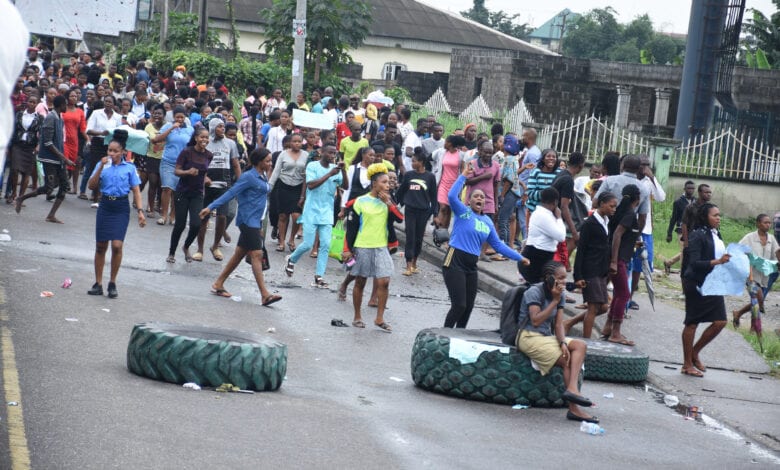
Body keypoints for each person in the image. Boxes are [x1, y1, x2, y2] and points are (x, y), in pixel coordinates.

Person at [442, 165, 527, 328]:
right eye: (476, 196)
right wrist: (463, 176)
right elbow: (452, 196)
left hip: (471, 265)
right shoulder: (464, 212)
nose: (479, 199)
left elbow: (498, 246)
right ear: (469, 201)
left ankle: (460, 335)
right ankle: (444, 335)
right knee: (459, 305)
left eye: (482, 197)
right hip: (455, 261)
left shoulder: (487, 221)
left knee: (468, 307)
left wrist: (520, 258)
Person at [515, 261, 598, 424]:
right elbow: (536, 321)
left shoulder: (561, 295)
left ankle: (572, 389)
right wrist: (554, 300)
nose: (564, 282)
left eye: (565, 277)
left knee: (580, 345)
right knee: (566, 360)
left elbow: (559, 324)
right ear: (549, 278)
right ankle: (574, 409)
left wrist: (562, 343)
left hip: (546, 337)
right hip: (528, 337)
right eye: (560, 278)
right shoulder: (534, 292)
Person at [198, 148, 282, 307]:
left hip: (256, 221)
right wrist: (210, 207)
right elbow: (231, 193)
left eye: (271, 161)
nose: (270, 164)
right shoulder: (248, 177)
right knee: (257, 254)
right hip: (247, 221)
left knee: (239, 254)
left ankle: (218, 283)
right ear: (259, 162)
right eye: (268, 161)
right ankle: (265, 295)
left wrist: (260, 224)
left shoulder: (263, 176)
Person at [342, 163, 403, 332]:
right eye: (384, 182)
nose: (388, 185)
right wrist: (347, 249)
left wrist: (389, 203)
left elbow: (400, 218)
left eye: (388, 182)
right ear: (374, 183)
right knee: (360, 281)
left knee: (384, 281)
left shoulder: (388, 202)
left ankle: (379, 318)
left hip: (381, 247)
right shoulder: (360, 202)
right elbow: (351, 229)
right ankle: (357, 316)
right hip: (362, 247)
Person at [86, 131, 146, 298]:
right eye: (109, 150)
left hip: (121, 207)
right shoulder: (103, 165)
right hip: (105, 205)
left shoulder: (130, 168)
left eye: (115, 151)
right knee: (101, 246)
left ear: (123, 152)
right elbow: (91, 186)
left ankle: (112, 282)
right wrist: (100, 167)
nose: (111, 153)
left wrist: (140, 211)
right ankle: (98, 283)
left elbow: (136, 191)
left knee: (117, 245)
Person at [284, 144, 347, 287]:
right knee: (308, 244)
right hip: (311, 210)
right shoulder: (313, 166)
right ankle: (292, 259)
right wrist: (329, 174)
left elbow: (346, 186)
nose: (332, 156)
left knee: (325, 244)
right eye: (329, 153)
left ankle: (319, 276)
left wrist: (343, 171)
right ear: (321, 152)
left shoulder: (335, 169)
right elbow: (311, 185)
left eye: (334, 153)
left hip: (327, 211)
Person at [680, 203, 730, 377]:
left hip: (713, 283)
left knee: (720, 321)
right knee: (692, 322)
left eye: (719, 215)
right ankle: (687, 364)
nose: (718, 218)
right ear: (704, 217)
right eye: (714, 215)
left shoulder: (715, 234)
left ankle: (694, 352)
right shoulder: (697, 235)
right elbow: (694, 263)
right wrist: (718, 262)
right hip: (696, 282)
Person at [564, 191, 618, 338]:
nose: (614, 209)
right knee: (593, 308)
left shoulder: (607, 222)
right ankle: (587, 341)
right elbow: (581, 251)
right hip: (590, 270)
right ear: (602, 204)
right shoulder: (589, 224)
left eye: (615, 207)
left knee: (603, 307)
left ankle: (569, 322)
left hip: (601, 271)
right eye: (611, 206)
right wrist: (578, 276)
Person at [15, 95, 73, 223]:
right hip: (49, 159)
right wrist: (64, 157)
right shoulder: (51, 118)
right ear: (61, 105)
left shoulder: (59, 118)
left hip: (58, 158)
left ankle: (51, 215)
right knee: (48, 187)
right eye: (65, 104)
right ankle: (21, 198)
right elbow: (47, 142)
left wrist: (62, 157)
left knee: (64, 185)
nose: (67, 107)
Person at [195, 118, 241, 261]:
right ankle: (199, 249)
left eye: (223, 126)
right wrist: (203, 178)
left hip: (224, 185)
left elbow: (235, 164)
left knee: (222, 216)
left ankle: (215, 246)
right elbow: (197, 161)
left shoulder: (230, 143)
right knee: (204, 218)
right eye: (219, 126)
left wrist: (241, 183)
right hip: (207, 185)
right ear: (213, 127)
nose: (222, 129)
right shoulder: (205, 142)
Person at [602, 184, 641, 346]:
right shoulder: (630, 214)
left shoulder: (620, 211)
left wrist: (633, 243)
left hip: (617, 257)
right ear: (637, 199)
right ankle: (615, 332)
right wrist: (614, 261)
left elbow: (621, 235)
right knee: (624, 294)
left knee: (619, 293)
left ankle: (608, 327)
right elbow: (617, 234)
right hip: (618, 260)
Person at [167, 127, 212, 263]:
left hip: (197, 193)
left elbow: (204, 173)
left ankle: (186, 247)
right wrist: (187, 172)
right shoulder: (187, 152)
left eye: (206, 137)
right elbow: (176, 171)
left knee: (196, 224)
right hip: (182, 192)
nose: (204, 140)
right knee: (180, 225)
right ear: (196, 138)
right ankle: (171, 253)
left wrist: (206, 179)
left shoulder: (209, 155)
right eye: (202, 137)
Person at [627, 155, 665, 310]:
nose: (645, 167)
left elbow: (661, 197)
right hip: (628, 227)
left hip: (645, 230)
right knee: (625, 262)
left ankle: (630, 298)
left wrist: (653, 178)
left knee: (641, 263)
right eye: (643, 164)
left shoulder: (649, 182)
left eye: (647, 165)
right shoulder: (629, 179)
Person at [732, 214, 780, 328]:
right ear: (758, 224)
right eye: (765, 222)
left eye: (769, 223)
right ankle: (755, 326)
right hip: (751, 275)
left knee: (756, 302)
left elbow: (777, 252)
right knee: (758, 298)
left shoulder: (771, 239)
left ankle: (741, 317)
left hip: (765, 276)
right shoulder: (749, 238)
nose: (768, 225)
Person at [396, 147, 437, 276]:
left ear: (421, 162)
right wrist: (394, 204)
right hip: (410, 210)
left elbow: (434, 197)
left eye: (414, 161)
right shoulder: (408, 175)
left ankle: (414, 263)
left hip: (424, 211)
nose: (412, 163)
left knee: (419, 238)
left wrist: (435, 214)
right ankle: (408, 265)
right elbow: (401, 192)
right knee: (410, 237)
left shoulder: (430, 177)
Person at [152, 105, 194, 225]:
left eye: (182, 117)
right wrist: (171, 128)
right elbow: (156, 139)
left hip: (182, 165)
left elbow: (193, 145)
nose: (179, 120)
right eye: (177, 117)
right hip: (167, 162)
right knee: (167, 188)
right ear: (173, 117)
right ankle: (163, 215)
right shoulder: (167, 126)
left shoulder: (190, 129)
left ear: (185, 117)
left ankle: (173, 216)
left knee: (178, 191)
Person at [268, 133, 307, 252]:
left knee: (296, 216)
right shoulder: (283, 154)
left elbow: (308, 174)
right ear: (290, 143)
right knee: (283, 215)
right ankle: (281, 241)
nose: (297, 144)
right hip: (283, 186)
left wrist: (304, 195)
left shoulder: (306, 155)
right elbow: (276, 171)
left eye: (299, 142)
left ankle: (291, 239)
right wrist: (269, 187)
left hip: (298, 187)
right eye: (294, 141)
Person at [519, 187, 565, 284]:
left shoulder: (539, 212)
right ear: (555, 202)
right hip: (536, 261)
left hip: (535, 257)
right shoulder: (545, 216)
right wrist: (559, 218)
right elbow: (561, 237)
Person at [464, 140, 501, 261]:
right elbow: (467, 181)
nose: (488, 155)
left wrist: (496, 203)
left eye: (491, 152)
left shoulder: (496, 165)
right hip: (472, 201)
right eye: (486, 152)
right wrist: (483, 177)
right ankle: (469, 249)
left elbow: (496, 185)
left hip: (488, 201)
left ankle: (482, 252)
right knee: (471, 226)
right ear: (479, 152)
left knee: (487, 227)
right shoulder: (471, 163)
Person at [7, 94, 42, 204]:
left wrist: (38, 145)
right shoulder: (19, 114)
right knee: (14, 170)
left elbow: (42, 133)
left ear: (37, 104)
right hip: (18, 145)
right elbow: (13, 129)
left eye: (34, 102)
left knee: (27, 173)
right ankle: (13, 193)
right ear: (27, 102)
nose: (32, 104)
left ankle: (21, 197)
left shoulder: (40, 118)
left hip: (30, 146)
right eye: (30, 101)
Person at [433, 135, 466, 230]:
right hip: (443, 183)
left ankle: (444, 231)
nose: (444, 143)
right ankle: (438, 230)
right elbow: (432, 158)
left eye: (446, 142)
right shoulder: (442, 152)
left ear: (450, 144)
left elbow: (462, 170)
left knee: (449, 209)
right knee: (442, 207)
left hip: (454, 185)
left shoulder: (461, 155)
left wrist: (462, 184)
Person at [664, 180, 696, 273]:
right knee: (684, 250)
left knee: (689, 250)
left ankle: (668, 262)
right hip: (681, 229)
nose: (691, 190)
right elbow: (673, 218)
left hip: (693, 230)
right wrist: (669, 233)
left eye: (692, 188)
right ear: (684, 189)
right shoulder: (678, 202)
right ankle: (683, 273)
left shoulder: (696, 201)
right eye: (689, 188)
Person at [143, 104, 166, 214]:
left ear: (164, 115)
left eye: (159, 113)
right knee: (153, 183)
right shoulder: (148, 127)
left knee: (162, 185)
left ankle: (160, 206)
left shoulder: (168, 126)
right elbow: (146, 141)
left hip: (165, 159)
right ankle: (151, 208)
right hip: (152, 158)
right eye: (155, 113)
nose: (157, 115)